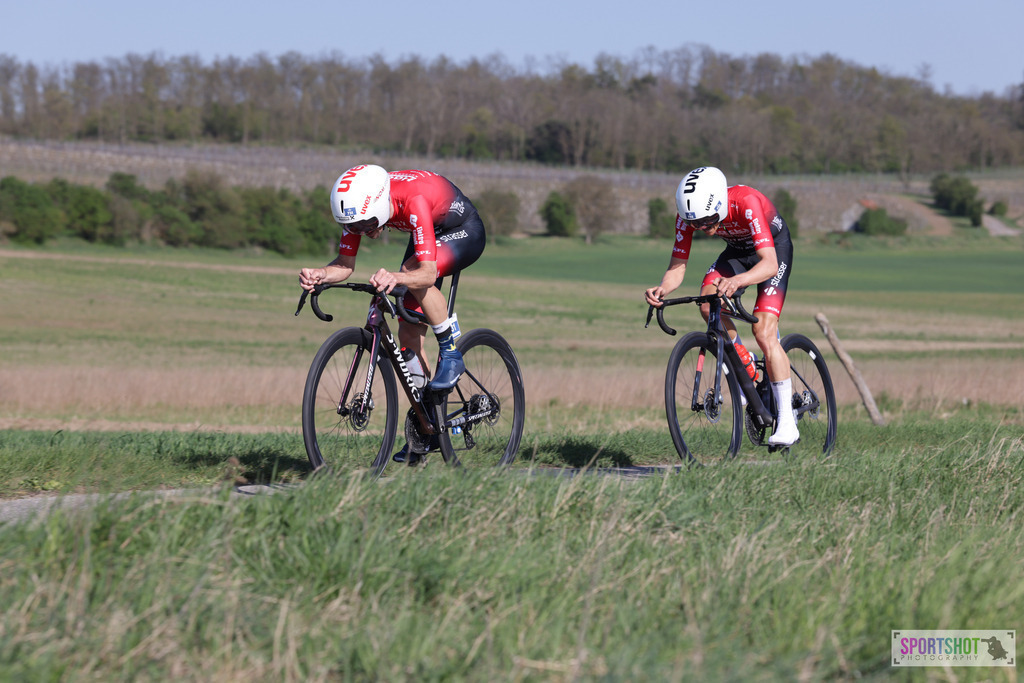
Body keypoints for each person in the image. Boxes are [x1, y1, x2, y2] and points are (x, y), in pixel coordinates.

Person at [299, 164, 487, 461]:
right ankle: (427, 428)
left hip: (461, 230)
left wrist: (397, 279)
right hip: (425, 230)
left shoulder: (411, 201)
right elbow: (345, 265)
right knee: (408, 332)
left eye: (368, 223)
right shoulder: (361, 212)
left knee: (410, 273)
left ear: (380, 204)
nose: (364, 231)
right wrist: (320, 274)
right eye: (356, 226)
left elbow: (425, 274)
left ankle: (451, 354)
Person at [644, 166, 799, 446]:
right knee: (707, 303)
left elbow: (769, 264)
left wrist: (740, 280)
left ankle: (787, 420)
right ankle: (745, 363)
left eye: (708, 221)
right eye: (696, 225)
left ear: (719, 203)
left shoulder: (745, 202)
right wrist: (663, 288)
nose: (703, 229)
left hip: (771, 252)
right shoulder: (687, 217)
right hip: (737, 252)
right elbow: (677, 267)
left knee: (764, 332)